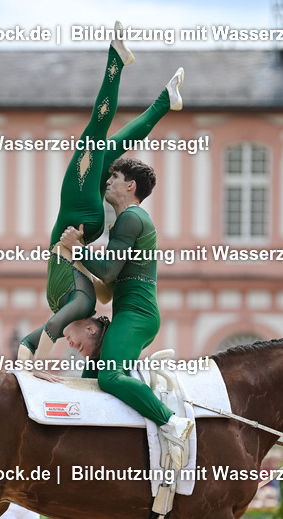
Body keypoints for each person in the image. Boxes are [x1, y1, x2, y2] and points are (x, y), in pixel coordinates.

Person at [19, 23, 184, 365]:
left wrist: (32, 368)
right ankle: (158, 96)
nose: (72, 341)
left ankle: (120, 63)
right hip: (84, 215)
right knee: (110, 139)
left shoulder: (76, 303)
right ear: (94, 330)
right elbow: (103, 284)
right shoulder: (80, 302)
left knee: (101, 131)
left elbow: (43, 333)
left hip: (80, 212)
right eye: (80, 343)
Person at [57, 156, 193, 446]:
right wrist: (77, 258)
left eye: (114, 177)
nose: (107, 181)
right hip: (131, 314)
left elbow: (107, 270)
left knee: (109, 377)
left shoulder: (131, 217)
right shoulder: (127, 221)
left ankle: (172, 422)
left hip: (137, 315)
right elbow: (107, 289)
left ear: (130, 185)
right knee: (90, 375)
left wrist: (78, 249)